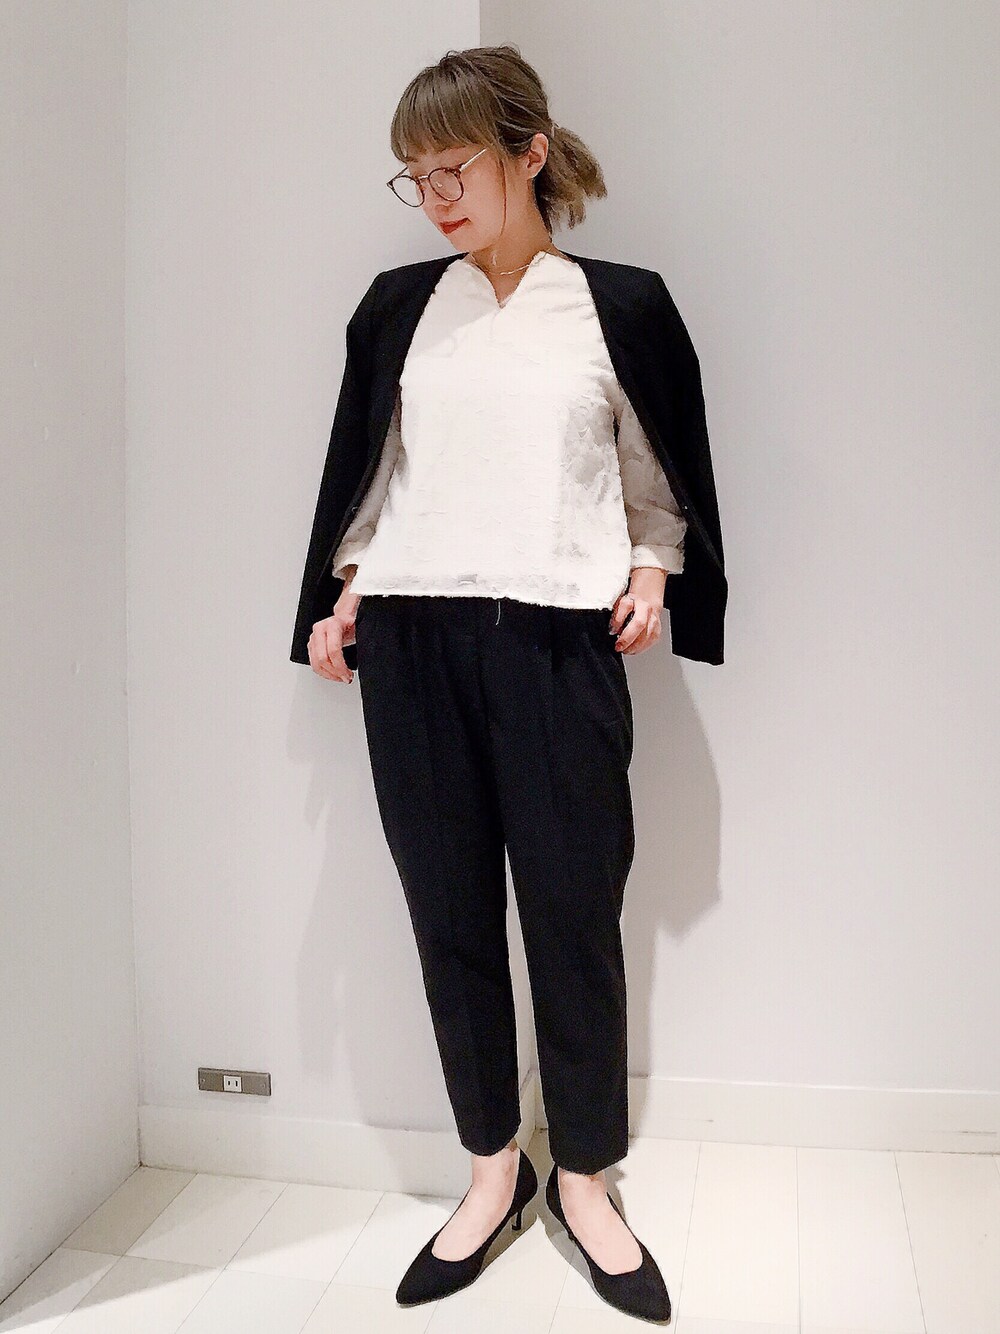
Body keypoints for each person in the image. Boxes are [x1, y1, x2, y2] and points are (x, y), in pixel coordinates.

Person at [292, 44, 726, 1323]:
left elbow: (655, 473)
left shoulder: (617, 304)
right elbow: (371, 469)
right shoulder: (398, 307)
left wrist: (651, 567)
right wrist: (346, 586)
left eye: (456, 169)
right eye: (414, 176)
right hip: (412, 646)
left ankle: (584, 1176)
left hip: (557, 645)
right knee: (450, 919)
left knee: (573, 918)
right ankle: (494, 1168)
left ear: (528, 154)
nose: (434, 198)